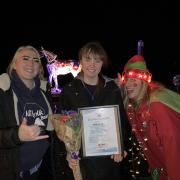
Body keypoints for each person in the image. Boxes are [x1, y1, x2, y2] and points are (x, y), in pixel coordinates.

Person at [57, 41, 130, 180]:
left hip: (108, 159)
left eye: (97, 60)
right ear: (81, 62)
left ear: (102, 63)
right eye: (88, 59)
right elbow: (61, 127)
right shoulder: (69, 91)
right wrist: (67, 153)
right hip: (81, 160)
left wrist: (120, 146)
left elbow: (122, 122)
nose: (92, 64)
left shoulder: (112, 89)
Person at [0, 45, 58, 180]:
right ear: (14, 64)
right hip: (10, 173)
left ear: (39, 68)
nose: (31, 63)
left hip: (38, 170)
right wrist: (17, 135)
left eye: (36, 60)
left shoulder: (44, 92)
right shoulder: (3, 92)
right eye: (25, 58)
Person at [121, 54, 180, 180]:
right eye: (126, 79)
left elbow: (174, 144)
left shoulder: (156, 105)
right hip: (160, 169)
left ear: (143, 80)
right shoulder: (132, 108)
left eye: (133, 79)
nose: (128, 84)